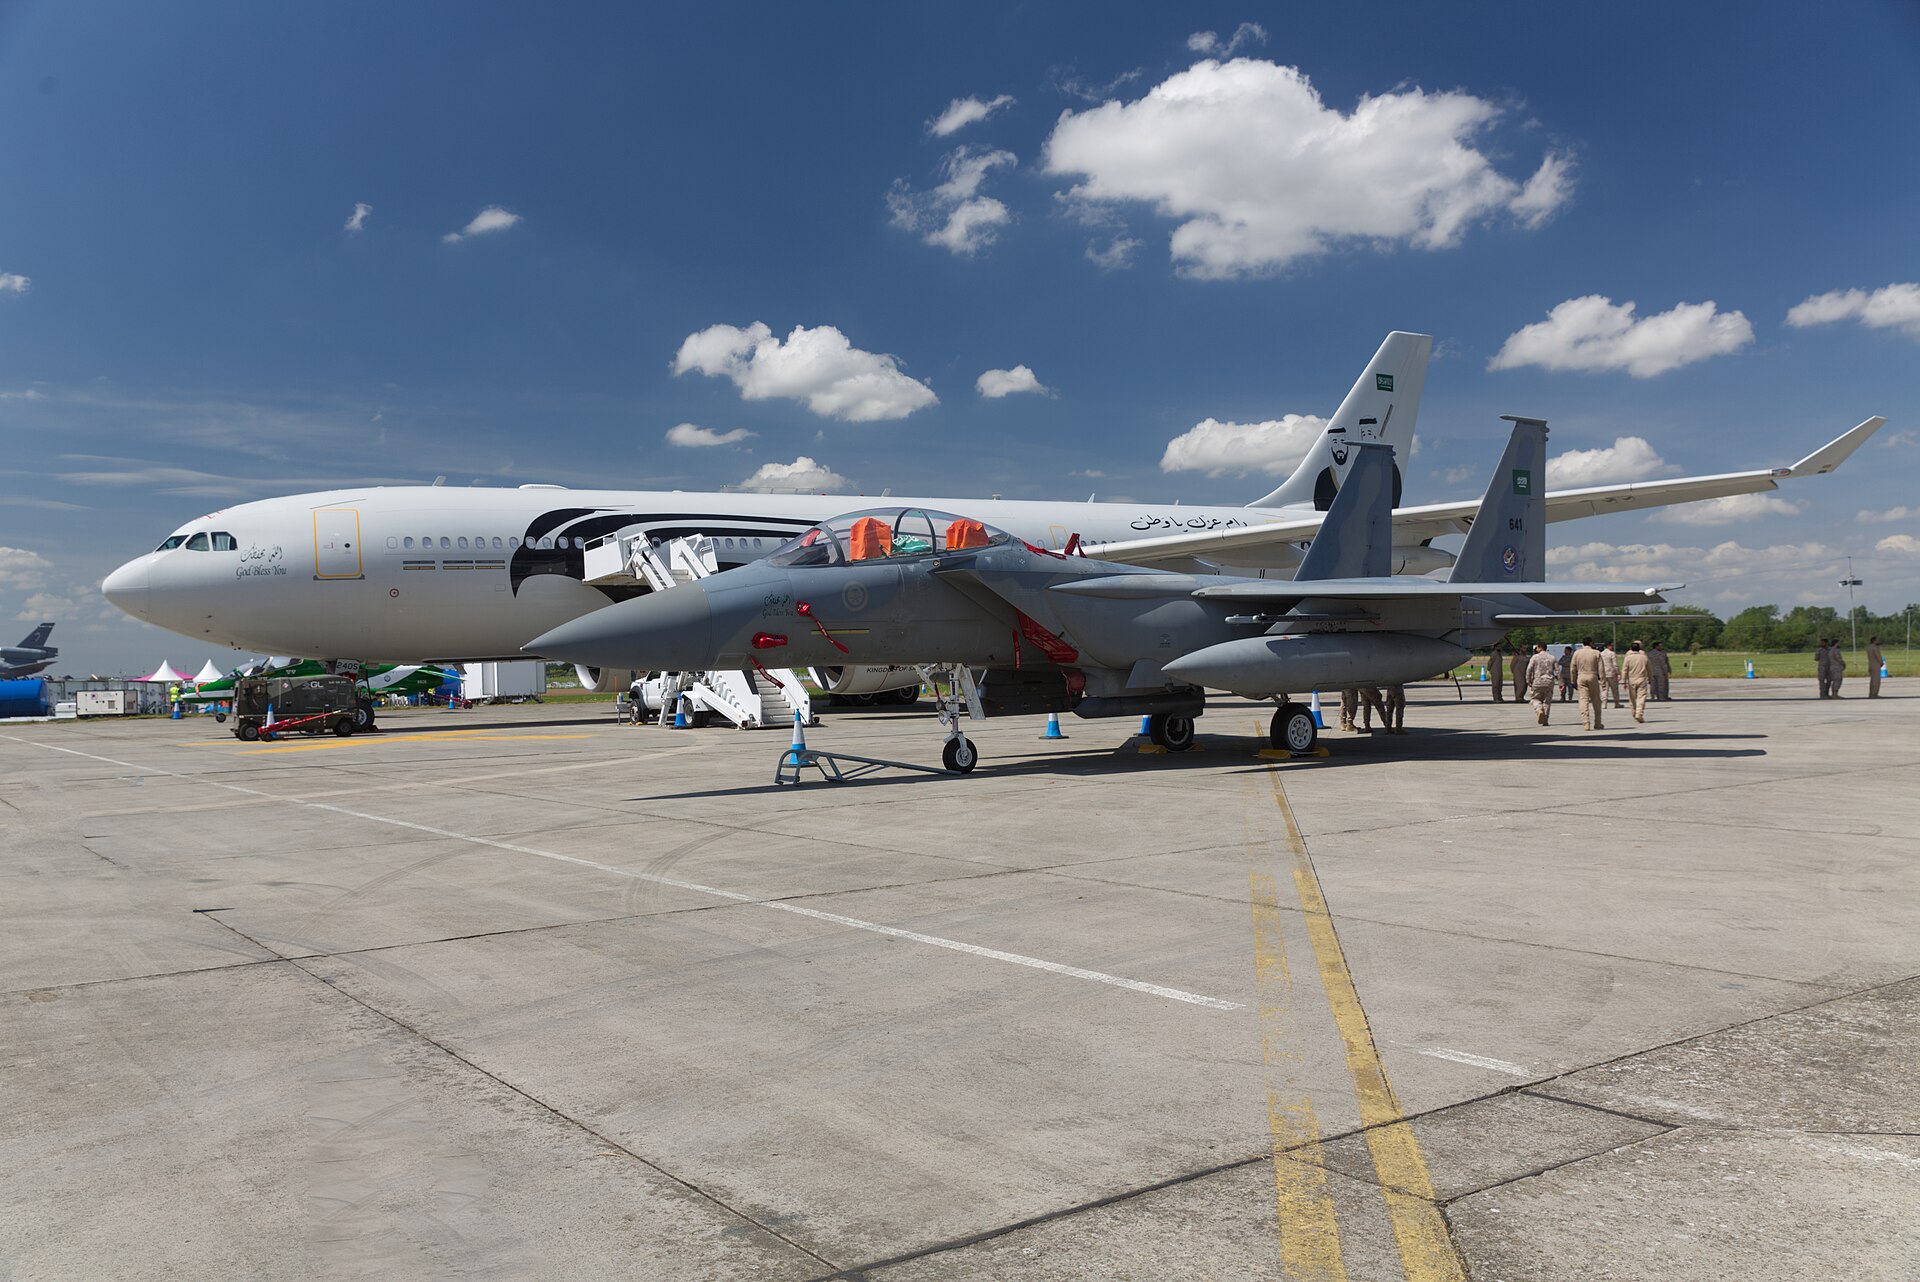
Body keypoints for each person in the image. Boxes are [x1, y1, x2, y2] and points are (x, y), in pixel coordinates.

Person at [1571, 636, 1606, 730]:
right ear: (1591, 643)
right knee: (1596, 700)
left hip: (1581, 676)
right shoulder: (1596, 653)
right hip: (1592, 675)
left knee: (1583, 700)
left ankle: (1586, 722)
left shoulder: (1577, 653)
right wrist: (1603, 681)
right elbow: (1601, 669)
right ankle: (1598, 722)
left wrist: (1573, 680)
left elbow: (1573, 668)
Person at [1526, 643, 1558, 726]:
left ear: (1540, 648)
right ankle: (1545, 719)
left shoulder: (1535, 657)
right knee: (1547, 701)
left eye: (1537, 648)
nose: (1536, 649)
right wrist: (1561, 682)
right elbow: (1557, 671)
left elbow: (1529, 669)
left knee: (1535, 699)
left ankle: (1539, 709)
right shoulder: (1552, 658)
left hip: (1537, 681)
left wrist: (1528, 680)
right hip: (1549, 682)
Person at [1622, 641, 1652, 722]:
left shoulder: (1628, 658)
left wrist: (1623, 681)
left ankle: (1634, 712)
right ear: (1639, 649)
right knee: (1641, 697)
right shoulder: (1644, 657)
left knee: (1632, 698)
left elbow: (1625, 670)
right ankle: (1639, 713)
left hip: (1631, 679)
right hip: (1642, 679)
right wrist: (1650, 679)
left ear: (1631, 649)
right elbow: (1649, 670)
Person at [1602, 641, 1624, 708]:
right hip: (1611, 673)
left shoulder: (1601, 654)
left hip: (1603, 673)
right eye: (1611, 645)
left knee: (1604, 689)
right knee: (1615, 689)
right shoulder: (1612, 653)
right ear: (1609, 646)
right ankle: (1616, 703)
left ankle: (1604, 703)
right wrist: (1618, 673)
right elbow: (1615, 665)